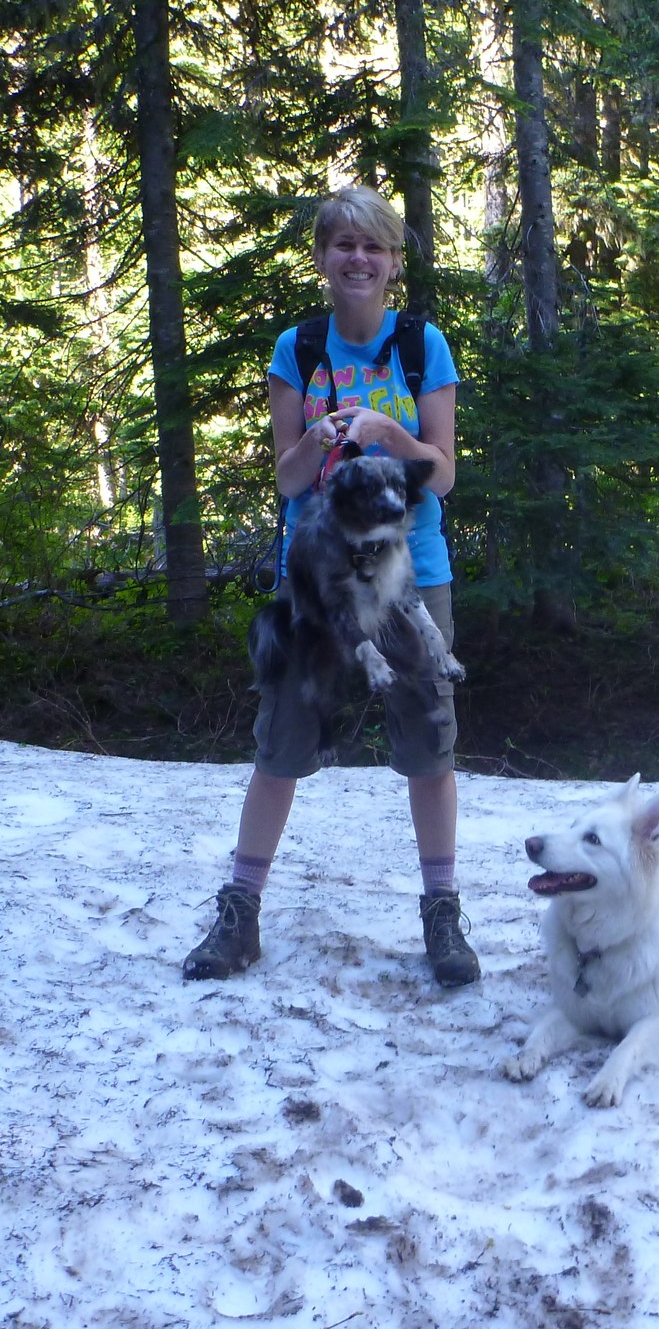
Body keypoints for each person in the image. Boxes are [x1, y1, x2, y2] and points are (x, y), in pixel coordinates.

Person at [183, 185, 480, 988]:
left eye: (373, 246)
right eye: (343, 244)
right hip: (314, 584)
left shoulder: (422, 346)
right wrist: (317, 440)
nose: (358, 258)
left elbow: (442, 475)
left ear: (392, 263)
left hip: (408, 577)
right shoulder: (300, 350)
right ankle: (240, 911)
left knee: (428, 749)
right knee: (280, 744)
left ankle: (442, 911)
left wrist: (387, 433)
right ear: (322, 258)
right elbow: (286, 480)